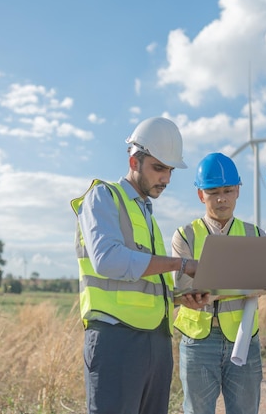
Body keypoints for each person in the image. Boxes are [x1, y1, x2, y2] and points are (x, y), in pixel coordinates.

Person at [70, 117, 202, 414]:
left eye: (170, 170)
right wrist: (181, 264)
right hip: (116, 342)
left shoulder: (148, 217)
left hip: (156, 342)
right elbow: (108, 260)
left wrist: (179, 299)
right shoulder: (103, 197)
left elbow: (143, 282)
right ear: (134, 161)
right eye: (159, 168)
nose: (166, 178)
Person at [172, 152, 264, 414]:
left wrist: (211, 286)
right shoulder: (185, 235)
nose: (221, 198)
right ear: (201, 195)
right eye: (213, 192)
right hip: (198, 340)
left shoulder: (253, 233)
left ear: (238, 191)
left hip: (244, 337)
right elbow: (185, 290)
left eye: (228, 190)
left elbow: (265, 283)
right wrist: (242, 284)